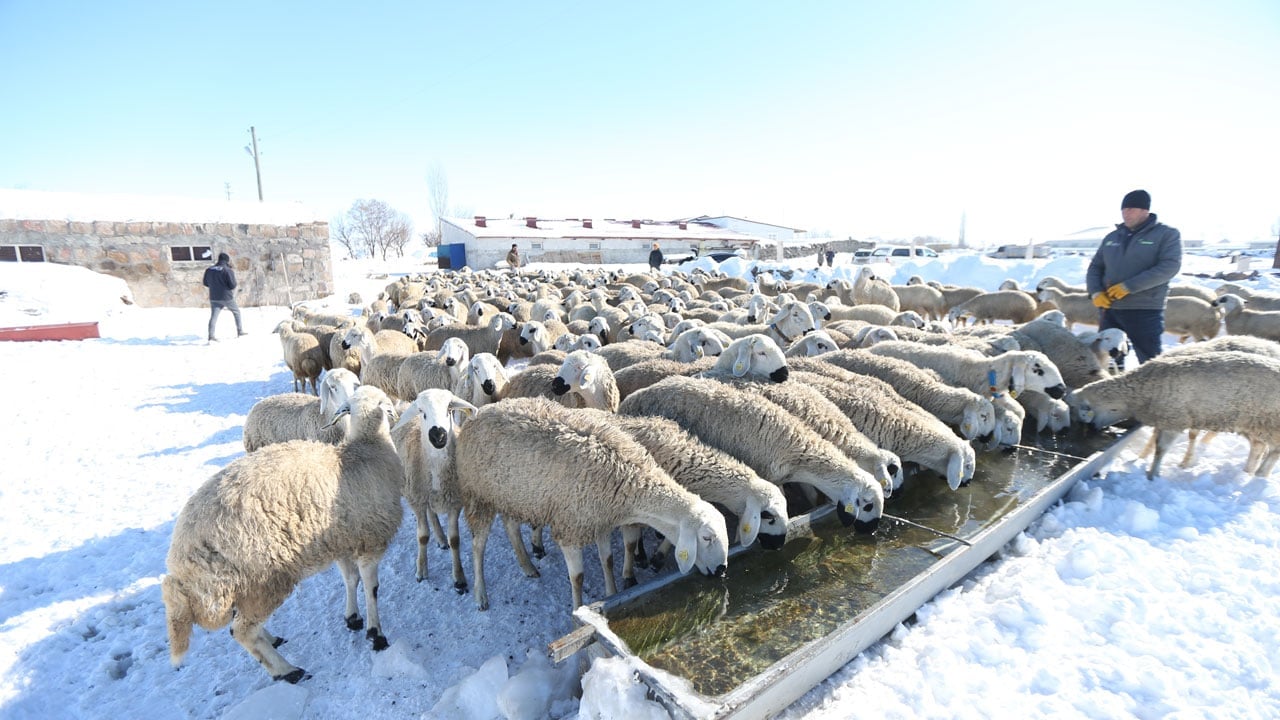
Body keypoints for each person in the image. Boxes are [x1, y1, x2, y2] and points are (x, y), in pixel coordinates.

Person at [1086, 189, 1182, 364]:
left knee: (1149, 361)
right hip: (1110, 309)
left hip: (1144, 308)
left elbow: (1169, 266)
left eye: (1131, 209)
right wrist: (1095, 292)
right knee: (1106, 359)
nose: (1126, 213)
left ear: (1145, 210)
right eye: (1124, 209)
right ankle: (1111, 388)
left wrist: (1129, 286)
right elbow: (1095, 267)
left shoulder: (1166, 234)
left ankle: (1153, 390)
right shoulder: (1112, 237)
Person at [202, 251, 245, 342]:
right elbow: (233, 285)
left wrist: (215, 286)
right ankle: (240, 331)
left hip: (214, 297)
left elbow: (205, 283)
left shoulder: (209, 269)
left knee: (214, 316)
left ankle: (211, 336)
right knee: (236, 312)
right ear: (226, 260)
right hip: (226, 297)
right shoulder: (227, 270)